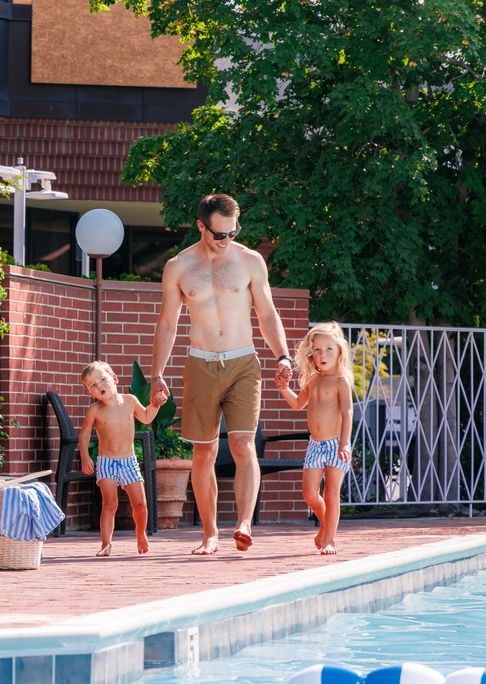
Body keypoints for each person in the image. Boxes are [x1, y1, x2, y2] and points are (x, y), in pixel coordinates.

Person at [148, 193, 294, 555]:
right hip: (200, 362)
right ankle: (210, 534)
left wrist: (283, 356)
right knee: (203, 452)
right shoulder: (179, 267)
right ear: (201, 226)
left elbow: (268, 314)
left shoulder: (249, 261)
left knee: (243, 444)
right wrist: (157, 374)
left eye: (232, 232)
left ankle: (244, 524)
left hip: (244, 362)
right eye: (219, 234)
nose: (227, 240)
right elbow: (168, 322)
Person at [274, 322, 354, 555]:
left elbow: (348, 413)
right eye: (317, 350)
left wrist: (345, 443)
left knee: (331, 493)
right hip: (315, 445)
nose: (323, 355)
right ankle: (325, 524)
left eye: (329, 349)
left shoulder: (341, 380)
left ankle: (329, 539)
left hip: (336, 444)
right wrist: (283, 388)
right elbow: (298, 403)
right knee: (309, 494)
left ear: (339, 351)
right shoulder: (313, 380)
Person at [77, 361, 162, 557]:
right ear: (91, 393)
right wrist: (85, 457)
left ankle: (140, 534)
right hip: (106, 462)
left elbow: (147, 417)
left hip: (128, 461)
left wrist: (156, 404)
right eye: (93, 386)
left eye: (103, 380)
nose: (100, 386)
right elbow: (83, 435)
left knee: (140, 504)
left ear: (114, 379)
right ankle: (106, 543)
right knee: (109, 503)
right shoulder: (94, 411)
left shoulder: (130, 401)